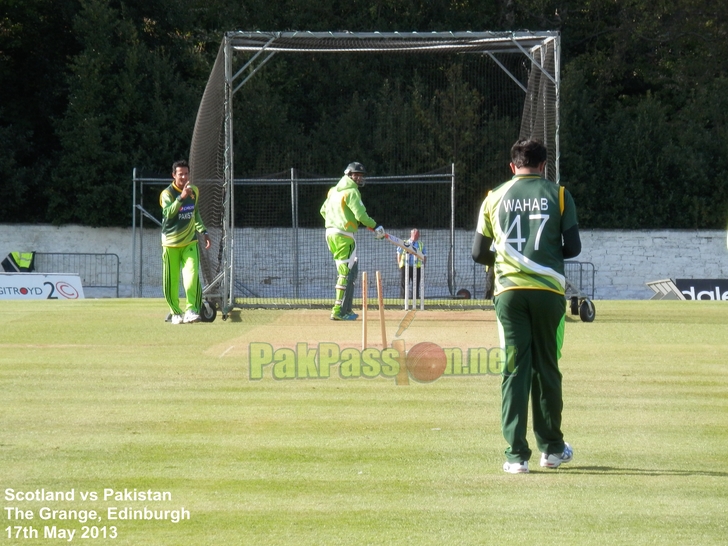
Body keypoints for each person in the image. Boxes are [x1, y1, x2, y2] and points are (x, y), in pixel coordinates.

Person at [471, 139, 581, 474]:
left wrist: (505, 262)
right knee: (547, 367)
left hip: (510, 293)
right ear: (544, 166)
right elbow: (573, 247)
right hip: (548, 293)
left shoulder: (493, 197)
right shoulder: (559, 194)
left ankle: (516, 456)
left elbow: (478, 253)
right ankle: (551, 449)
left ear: (512, 166)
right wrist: (543, 259)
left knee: (515, 369)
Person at [320, 162, 385, 320]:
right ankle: (338, 311)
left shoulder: (333, 191)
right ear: (348, 175)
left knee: (350, 270)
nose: (359, 178)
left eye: (361, 175)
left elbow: (323, 210)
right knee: (345, 272)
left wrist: (335, 221)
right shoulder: (351, 192)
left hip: (330, 234)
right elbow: (361, 216)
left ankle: (346, 309)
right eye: (356, 175)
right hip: (344, 235)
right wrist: (376, 226)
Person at [160, 160, 211, 324]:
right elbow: (169, 213)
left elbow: (195, 213)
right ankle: (175, 313)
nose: (184, 177)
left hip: (190, 242)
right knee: (172, 281)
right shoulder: (167, 194)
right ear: (173, 175)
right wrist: (181, 198)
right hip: (171, 245)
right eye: (180, 174)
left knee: (191, 277)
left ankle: (191, 310)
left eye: (186, 174)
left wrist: (203, 231)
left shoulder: (194, 191)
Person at [396, 228, 427, 299]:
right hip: (405, 266)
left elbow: (424, 255)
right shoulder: (404, 243)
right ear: (411, 234)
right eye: (415, 234)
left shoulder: (420, 244)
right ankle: (403, 298)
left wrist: (424, 264)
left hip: (417, 266)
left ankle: (415, 297)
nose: (416, 236)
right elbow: (399, 253)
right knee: (404, 283)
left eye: (417, 234)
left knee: (416, 283)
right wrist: (399, 264)